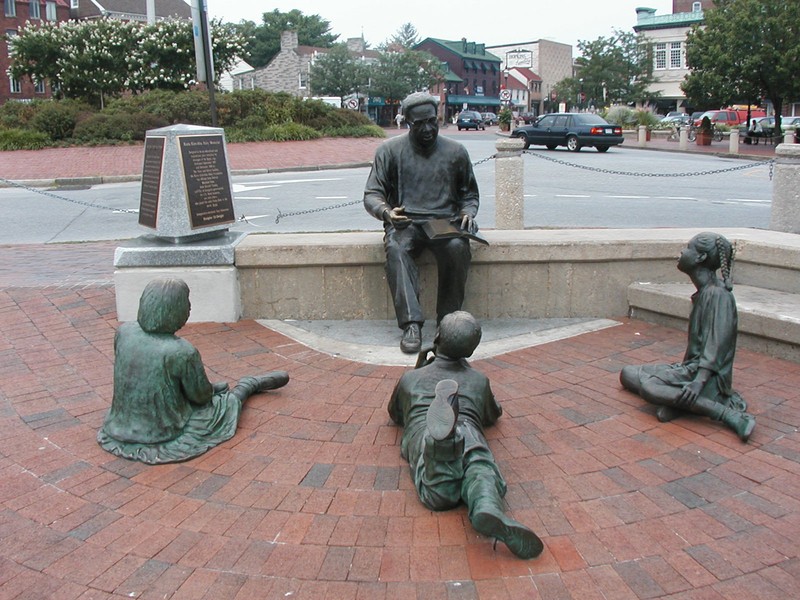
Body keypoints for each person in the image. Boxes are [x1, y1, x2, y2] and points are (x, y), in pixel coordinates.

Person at [388, 311, 544, 559]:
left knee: (436, 486)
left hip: (421, 430)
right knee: (479, 463)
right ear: (470, 352)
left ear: (437, 336)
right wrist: (471, 375)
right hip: (469, 427)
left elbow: (395, 414)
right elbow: (493, 414)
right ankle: (485, 503)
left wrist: (419, 367)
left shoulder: (411, 379)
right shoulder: (478, 380)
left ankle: (442, 444)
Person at [97, 277, 289, 464]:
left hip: (117, 427)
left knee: (205, 391)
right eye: (186, 303)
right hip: (160, 433)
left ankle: (238, 386)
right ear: (175, 310)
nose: (189, 308)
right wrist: (211, 390)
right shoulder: (182, 351)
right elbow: (201, 397)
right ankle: (248, 385)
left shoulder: (124, 332)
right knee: (225, 405)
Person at [364, 92, 480, 353]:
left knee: (457, 248)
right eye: (419, 124)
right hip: (407, 223)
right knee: (396, 248)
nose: (427, 129)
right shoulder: (389, 151)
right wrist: (387, 213)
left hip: (444, 223)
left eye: (432, 121)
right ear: (407, 123)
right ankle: (411, 324)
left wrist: (468, 213)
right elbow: (372, 193)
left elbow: (469, 194)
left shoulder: (456, 152)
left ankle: (447, 322)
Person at [619, 233, 755, 442]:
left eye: (688, 248)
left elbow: (716, 346)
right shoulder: (704, 292)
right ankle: (685, 402)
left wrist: (698, 382)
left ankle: (727, 414)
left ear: (700, 257)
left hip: (708, 378)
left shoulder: (718, 296)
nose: (682, 252)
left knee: (649, 387)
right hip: (690, 370)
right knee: (628, 374)